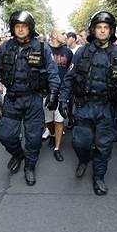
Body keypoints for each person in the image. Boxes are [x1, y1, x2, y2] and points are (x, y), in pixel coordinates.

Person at [59, 11, 117, 195]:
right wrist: (63, 99)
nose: (103, 31)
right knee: (80, 142)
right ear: (93, 30)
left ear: (111, 30)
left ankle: (98, 177)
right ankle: (83, 159)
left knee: (104, 146)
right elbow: (69, 78)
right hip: (84, 106)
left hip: (107, 107)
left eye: (106, 27)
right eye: (99, 27)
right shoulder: (82, 51)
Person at [0, 11, 60, 186]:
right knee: (6, 136)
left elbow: (52, 72)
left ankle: (30, 166)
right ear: (13, 28)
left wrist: (54, 92)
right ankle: (18, 154)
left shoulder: (42, 47)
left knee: (34, 138)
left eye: (23, 26)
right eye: (17, 27)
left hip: (33, 99)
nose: (20, 30)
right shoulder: (5, 47)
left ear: (30, 28)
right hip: (11, 99)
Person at [46, 27, 73, 162]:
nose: (65, 36)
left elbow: (70, 72)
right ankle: (52, 135)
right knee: (48, 120)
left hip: (61, 92)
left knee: (59, 119)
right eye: (63, 33)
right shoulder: (45, 50)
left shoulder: (68, 52)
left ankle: (57, 147)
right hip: (46, 92)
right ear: (55, 35)